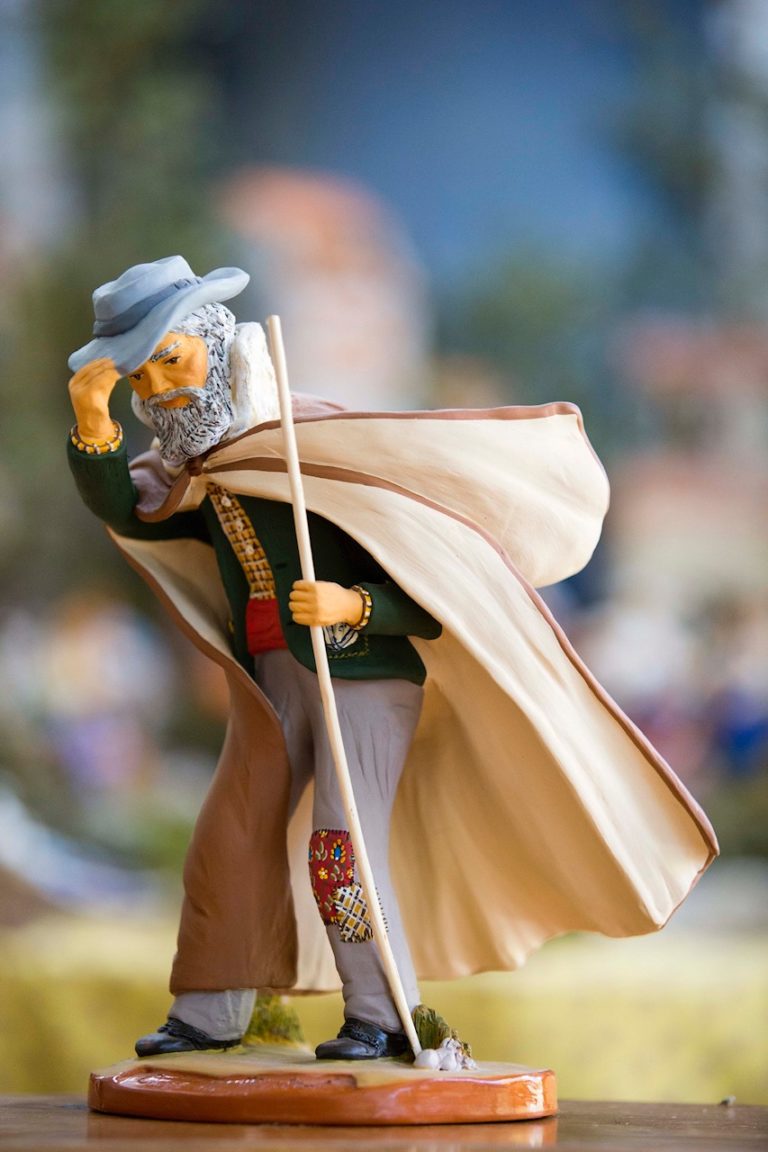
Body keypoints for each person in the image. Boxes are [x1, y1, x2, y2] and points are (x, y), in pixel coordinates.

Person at [67, 256, 718, 1062]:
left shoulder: (317, 448)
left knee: (340, 848)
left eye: (173, 359)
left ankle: (381, 1013)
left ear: (215, 340)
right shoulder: (199, 467)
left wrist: (355, 605)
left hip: (361, 677)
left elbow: (441, 589)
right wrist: (92, 423)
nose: (162, 387)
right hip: (272, 678)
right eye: (141, 375)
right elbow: (135, 512)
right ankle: (211, 1010)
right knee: (229, 836)